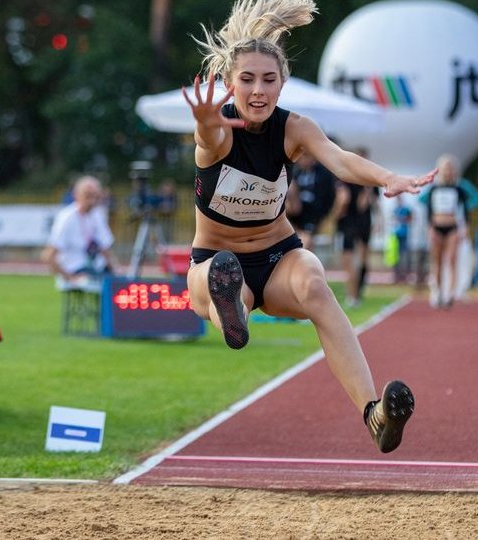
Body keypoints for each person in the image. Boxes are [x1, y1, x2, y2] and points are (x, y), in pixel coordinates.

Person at [182, 0, 435, 453]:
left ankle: (374, 414)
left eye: (268, 79)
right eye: (247, 79)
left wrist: (388, 178)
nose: (258, 90)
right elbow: (208, 139)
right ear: (228, 84)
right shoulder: (218, 132)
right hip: (217, 260)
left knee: (316, 284)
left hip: (278, 257)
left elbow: (339, 160)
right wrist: (204, 122)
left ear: (283, 83)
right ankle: (230, 308)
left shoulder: (294, 129)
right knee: (221, 280)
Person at [42, 175, 117, 288]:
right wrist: (70, 277)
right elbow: (49, 256)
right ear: (76, 195)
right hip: (76, 269)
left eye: (96, 197)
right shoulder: (67, 218)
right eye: (88, 196)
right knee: (100, 283)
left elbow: (105, 248)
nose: (92, 201)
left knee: (119, 285)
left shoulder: (98, 214)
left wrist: (117, 272)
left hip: (96, 268)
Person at [334, 147, 377, 308]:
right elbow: (346, 201)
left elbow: (364, 204)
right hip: (353, 222)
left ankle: (354, 295)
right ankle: (355, 294)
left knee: (353, 260)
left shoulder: (366, 179)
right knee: (355, 260)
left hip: (357, 223)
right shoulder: (348, 177)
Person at [426, 154, 468, 308]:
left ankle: (449, 294)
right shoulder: (433, 189)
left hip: (452, 228)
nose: (448, 171)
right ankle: (437, 292)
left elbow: (465, 211)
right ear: (440, 170)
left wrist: (465, 229)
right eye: (445, 168)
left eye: (450, 168)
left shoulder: (458, 190)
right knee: (436, 261)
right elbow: (429, 211)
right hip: (437, 226)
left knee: (451, 259)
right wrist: (430, 228)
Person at [286, 151, 335, 249]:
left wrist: (323, 216)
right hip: (296, 215)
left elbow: (329, 197)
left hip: (313, 215)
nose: (303, 161)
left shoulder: (323, 174)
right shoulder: (296, 172)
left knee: (305, 242)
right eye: (301, 158)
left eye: (306, 157)